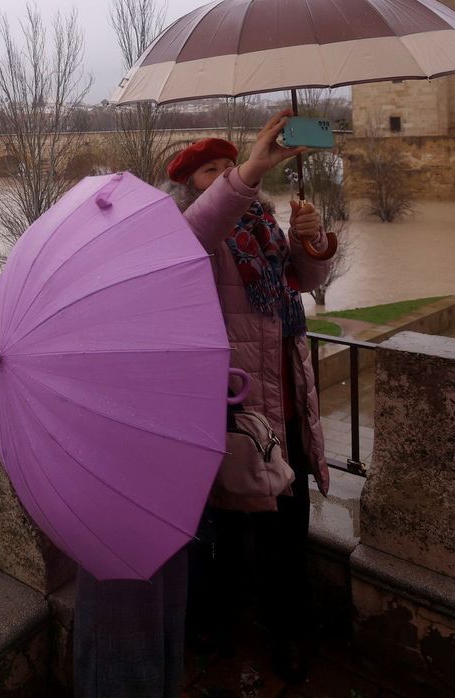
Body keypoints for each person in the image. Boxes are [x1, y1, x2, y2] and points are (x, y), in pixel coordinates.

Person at [168, 110, 333, 681]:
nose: (220, 175)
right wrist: (249, 175)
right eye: (208, 171)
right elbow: (200, 230)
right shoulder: (192, 231)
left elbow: (304, 286)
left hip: (285, 387)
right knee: (233, 530)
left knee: (289, 526)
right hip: (238, 406)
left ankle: (290, 633)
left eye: (226, 166)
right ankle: (216, 636)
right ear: (191, 185)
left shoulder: (262, 220)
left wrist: (311, 244)